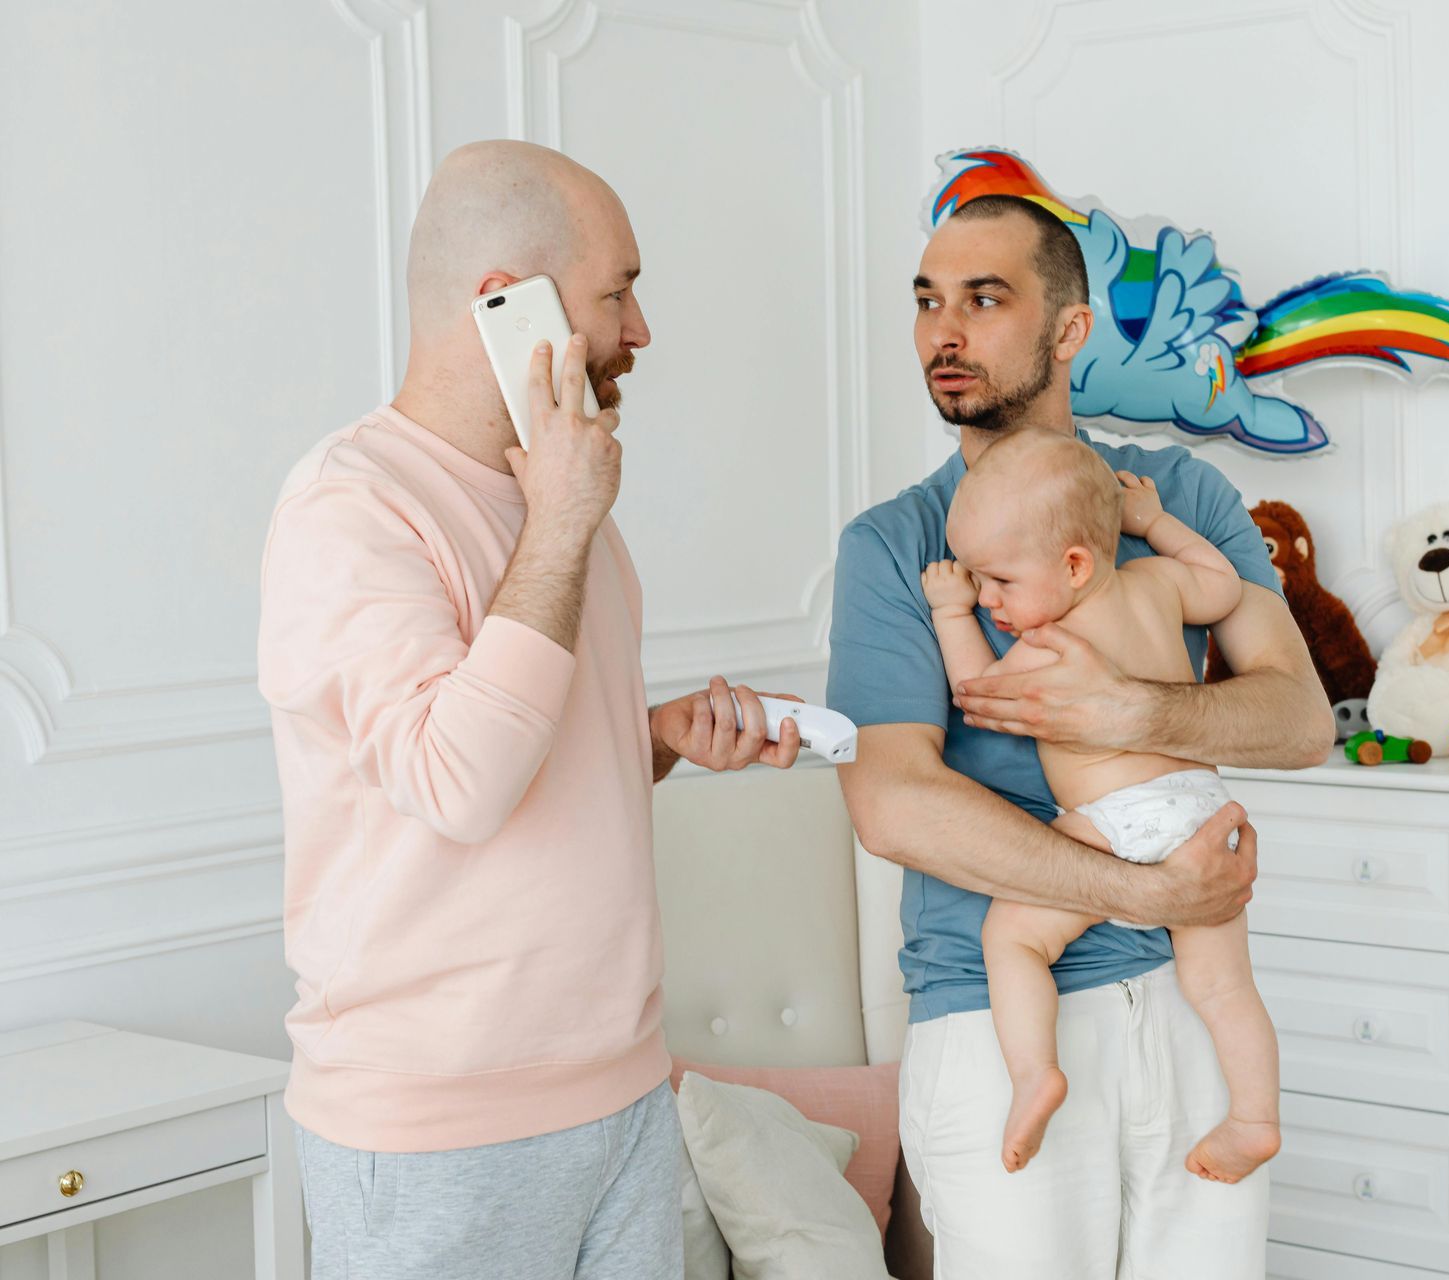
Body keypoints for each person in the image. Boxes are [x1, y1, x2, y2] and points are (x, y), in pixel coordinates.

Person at [257, 140, 798, 1280]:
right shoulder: (349, 508)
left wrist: (648, 739)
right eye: (619, 291)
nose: (640, 331)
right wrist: (558, 522)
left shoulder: (564, 498)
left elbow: (526, 752)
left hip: (621, 1095)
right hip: (435, 1132)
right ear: (506, 302)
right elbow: (456, 781)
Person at [829, 192, 1334, 1277]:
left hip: (1188, 1002)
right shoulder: (899, 544)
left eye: (984, 297)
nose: (943, 331)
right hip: (1000, 1022)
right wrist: (1147, 890)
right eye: (926, 302)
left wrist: (1133, 710)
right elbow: (890, 802)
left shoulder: (1174, 492)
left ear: (1069, 330)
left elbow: (1300, 719)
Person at [921, 429, 1280, 1184]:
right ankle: (1254, 1119)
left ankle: (1034, 1074)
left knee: (1014, 937)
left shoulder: (1051, 644)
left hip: (1122, 819)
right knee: (1223, 985)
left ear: (1074, 565)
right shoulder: (1157, 583)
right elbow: (1223, 584)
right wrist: (1154, 524)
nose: (989, 598)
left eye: (998, 582)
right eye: (978, 586)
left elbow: (979, 699)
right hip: (1205, 809)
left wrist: (954, 615)